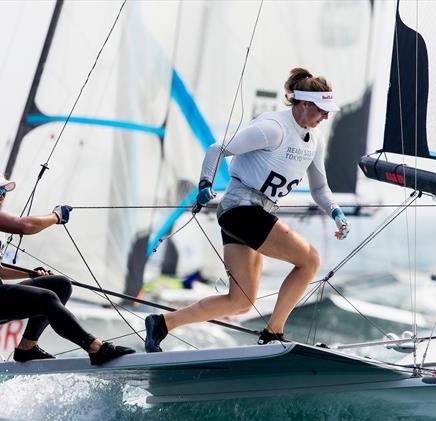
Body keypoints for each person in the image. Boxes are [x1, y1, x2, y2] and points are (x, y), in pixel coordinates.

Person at [144, 68, 350, 352]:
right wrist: (205, 183)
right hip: (241, 209)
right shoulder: (273, 129)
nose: (325, 117)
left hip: (256, 213)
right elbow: (218, 149)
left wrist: (336, 212)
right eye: (321, 110)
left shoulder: (315, 141)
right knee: (310, 261)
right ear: (303, 104)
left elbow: (320, 190)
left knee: (240, 301)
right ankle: (274, 332)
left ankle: (162, 323)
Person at [0, 167, 135, 365]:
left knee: (59, 285)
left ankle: (27, 348)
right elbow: (23, 226)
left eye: (4, 192)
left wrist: (30, 273)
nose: (1, 197)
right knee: (47, 299)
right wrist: (55, 216)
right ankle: (96, 348)